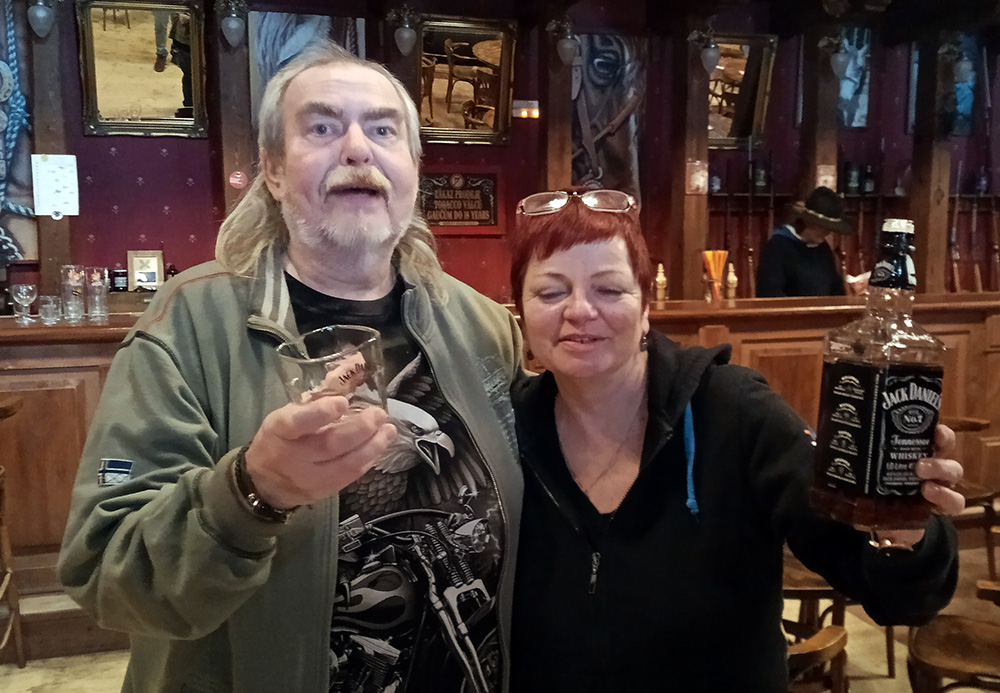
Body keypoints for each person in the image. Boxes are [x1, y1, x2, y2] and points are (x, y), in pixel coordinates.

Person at [58, 42, 523, 693]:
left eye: (383, 129)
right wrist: (253, 490)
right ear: (274, 171)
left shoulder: (484, 327)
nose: (357, 148)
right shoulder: (187, 325)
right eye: (323, 127)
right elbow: (107, 568)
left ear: (414, 169)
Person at [506, 188, 964, 691]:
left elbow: (899, 597)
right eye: (551, 292)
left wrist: (905, 532)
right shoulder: (505, 426)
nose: (579, 310)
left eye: (609, 290)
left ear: (646, 307)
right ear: (520, 311)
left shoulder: (734, 410)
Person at [756, 186, 859, 298]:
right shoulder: (777, 247)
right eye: (823, 226)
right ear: (808, 222)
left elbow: (835, 288)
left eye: (830, 228)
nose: (827, 232)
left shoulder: (823, 249)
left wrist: (851, 288)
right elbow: (769, 293)